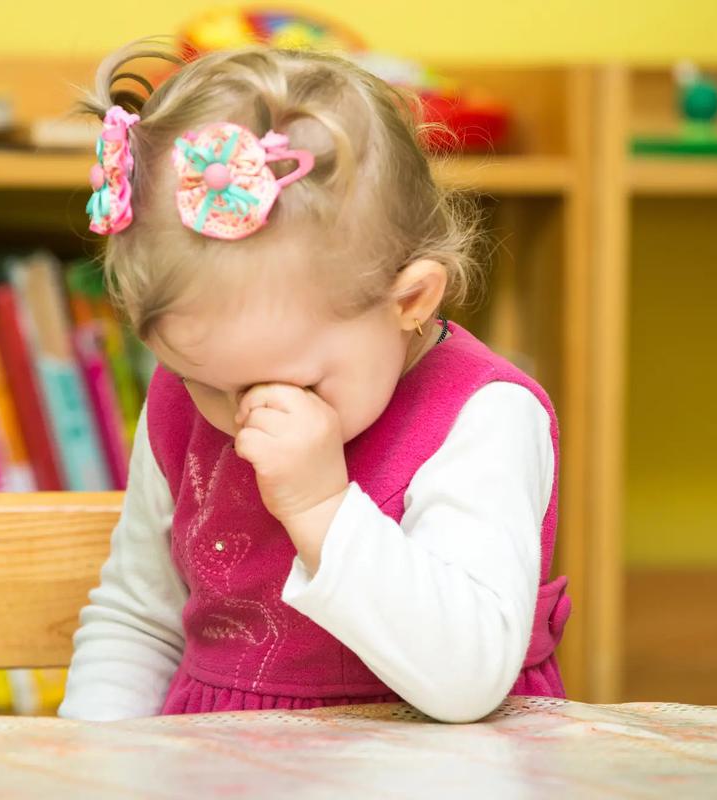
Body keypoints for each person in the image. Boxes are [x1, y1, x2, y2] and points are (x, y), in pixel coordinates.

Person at [59, 41, 570, 724]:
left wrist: (321, 507)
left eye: (288, 384)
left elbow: (468, 678)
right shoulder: (186, 400)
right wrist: (94, 757)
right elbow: (139, 622)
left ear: (410, 300)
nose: (242, 419)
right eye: (201, 380)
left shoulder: (485, 417)